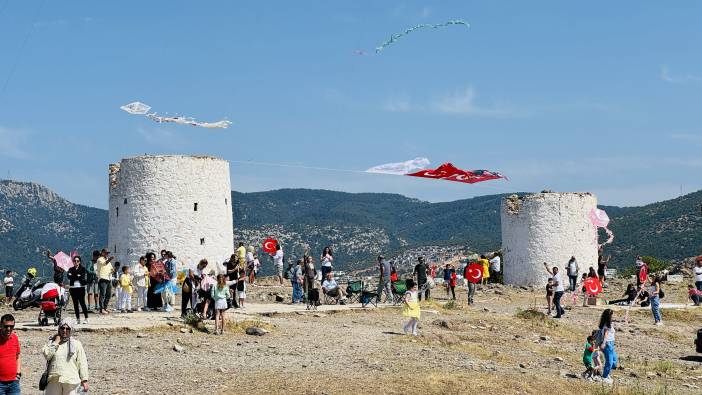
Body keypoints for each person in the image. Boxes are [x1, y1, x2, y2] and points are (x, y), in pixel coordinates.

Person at [41, 320, 89, 394]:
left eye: (68, 329)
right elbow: (47, 355)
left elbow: (82, 363)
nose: (64, 330)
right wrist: (56, 342)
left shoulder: (77, 344)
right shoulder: (51, 342)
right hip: (54, 380)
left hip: (71, 381)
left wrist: (84, 380)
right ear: (59, 329)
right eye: (62, 328)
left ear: (71, 330)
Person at [0, 314, 21, 395]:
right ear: (0, 325)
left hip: (14, 383)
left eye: (11, 326)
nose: (9, 329)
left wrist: (18, 374)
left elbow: (18, 356)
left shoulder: (15, 338)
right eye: (6, 326)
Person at [66, 256, 89, 324]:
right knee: (75, 304)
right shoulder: (70, 269)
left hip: (81, 288)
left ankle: (86, 318)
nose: (76, 262)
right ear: (73, 262)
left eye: (77, 261)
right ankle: (78, 319)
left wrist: (73, 276)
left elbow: (82, 276)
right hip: (73, 288)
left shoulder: (83, 269)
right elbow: (69, 276)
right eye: (75, 261)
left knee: (82, 303)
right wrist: (77, 276)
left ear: (80, 262)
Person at [597, 309, 617, 384]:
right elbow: (605, 334)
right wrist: (603, 343)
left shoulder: (606, 323)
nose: (612, 316)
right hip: (608, 344)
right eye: (612, 315)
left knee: (614, 360)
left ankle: (606, 373)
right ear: (609, 316)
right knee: (610, 361)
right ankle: (604, 377)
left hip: (610, 343)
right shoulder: (608, 325)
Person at [96, 248, 114, 315]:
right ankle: (101, 309)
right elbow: (104, 264)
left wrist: (113, 270)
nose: (107, 254)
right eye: (106, 253)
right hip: (103, 278)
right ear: (103, 253)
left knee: (108, 295)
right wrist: (110, 259)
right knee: (102, 294)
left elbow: (111, 268)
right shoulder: (100, 259)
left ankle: (105, 308)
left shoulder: (107, 260)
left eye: (108, 253)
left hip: (108, 279)